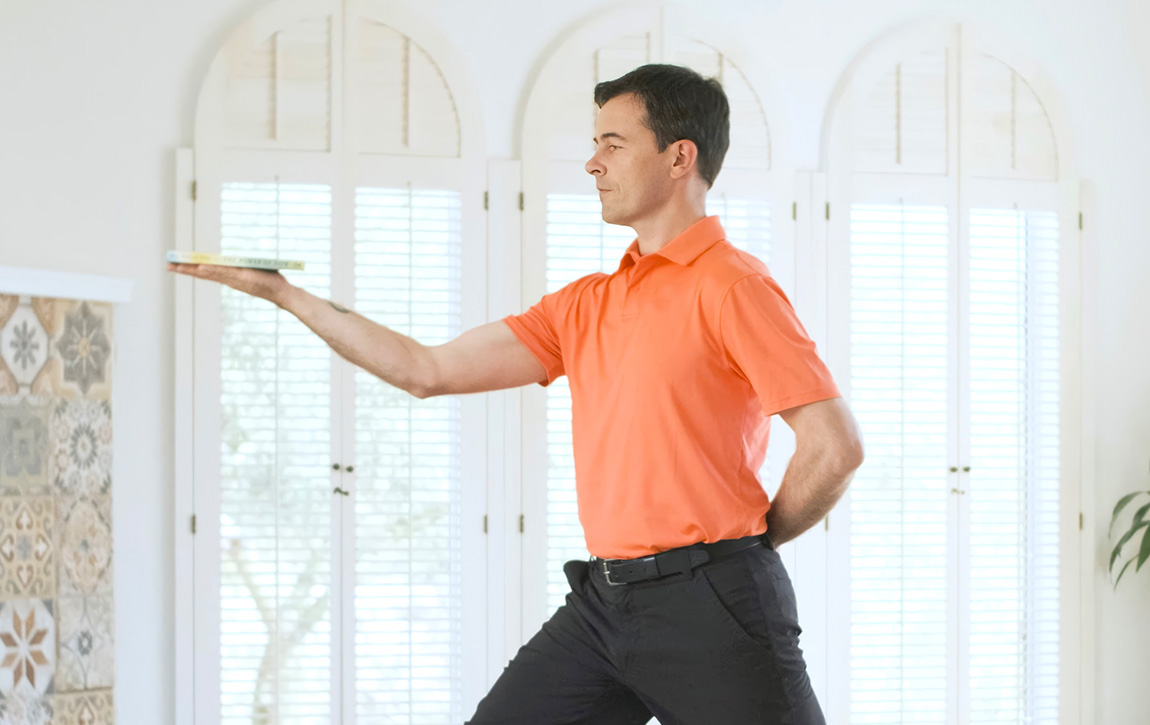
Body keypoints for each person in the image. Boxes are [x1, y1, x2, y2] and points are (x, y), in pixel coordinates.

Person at [170, 63, 863, 725]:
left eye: (613, 145)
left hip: (714, 607)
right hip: (605, 604)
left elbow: (834, 447)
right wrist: (286, 295)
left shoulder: (732, 285)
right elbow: (425, 369)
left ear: (680, 157)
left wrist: (745, 546)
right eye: (594, 146)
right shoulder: (585, 305)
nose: (593, 163)